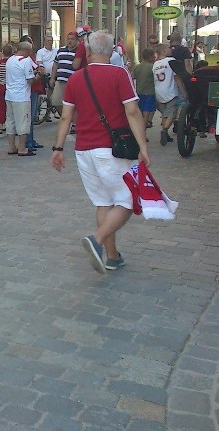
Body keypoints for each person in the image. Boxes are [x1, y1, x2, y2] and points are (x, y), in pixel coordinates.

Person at [50, 30, 149, 275]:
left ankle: (112, 256)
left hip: (84, 149)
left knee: (104, 202)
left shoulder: (76, 78)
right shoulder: (120, 74)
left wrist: (58, 148)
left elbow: (66, 116)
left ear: (89, 51)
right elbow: (133, 112)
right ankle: (97, 239)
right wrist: (143, 146)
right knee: (127, 201)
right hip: (111, 150)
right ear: (112, 50)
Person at [4, 41, 40, 156]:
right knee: (23, 122)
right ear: (26, 50)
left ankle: (11, 146)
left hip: (9, 95)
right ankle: (22, 148)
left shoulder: (10, 60)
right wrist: (39, 75)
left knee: (11, 121)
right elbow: (30, 80)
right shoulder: (25, 61)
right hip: (21, 97)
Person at [152, 43, 188, 146]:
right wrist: (184, 91)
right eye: (168, 48)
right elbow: (177, 78)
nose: (170, 48)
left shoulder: (156, 64)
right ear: (163, 51)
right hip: (170, 91)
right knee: (172, 113)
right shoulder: (171, 62)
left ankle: (166, 134)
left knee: (165, 114)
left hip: (159, 92)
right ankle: (165, 130)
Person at [49, 31, 79, 113]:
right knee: (55, 101)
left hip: (72, 82)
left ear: (77, 40)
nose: (70, 41)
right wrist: (52, 78)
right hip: (60, 81)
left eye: (72, 39)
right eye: (68, 39)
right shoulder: (61, 50)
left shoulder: (79, 51)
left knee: (72, 103)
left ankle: (71, 119)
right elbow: (55, 64)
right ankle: (64, 117)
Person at [130, 47, 156, 132]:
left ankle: (139, 130)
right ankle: (143, 132)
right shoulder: (152, 67)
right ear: (150, 57)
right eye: (153, 56)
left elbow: (131, 77)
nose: (155, 58)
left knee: (140, 114)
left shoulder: (137, 67)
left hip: (139, 92)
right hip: (150, 93)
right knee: (146, 114)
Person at [0, 43, 12, 133]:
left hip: (1, 85)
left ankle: (0, 126)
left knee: (1, 106)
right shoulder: (12, 62)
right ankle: (10, 126)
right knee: (10, 107)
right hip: (10, 86)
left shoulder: (0, 62)